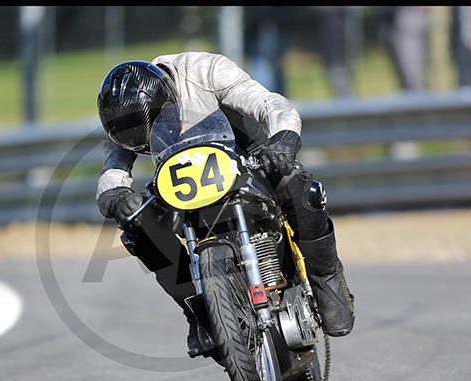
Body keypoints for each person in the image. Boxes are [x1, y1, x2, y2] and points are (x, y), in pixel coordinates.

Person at [95, 52, 354, 357]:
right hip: (182, 177)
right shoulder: (123, 121)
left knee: (301, 189)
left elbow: (271, 105)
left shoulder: (206, 70)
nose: (143, 142)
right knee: (138, 227)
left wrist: (282, 141)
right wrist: (117, 198)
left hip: (252, 153)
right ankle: (197, 310)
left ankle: (327, 280)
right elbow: (112, 172)